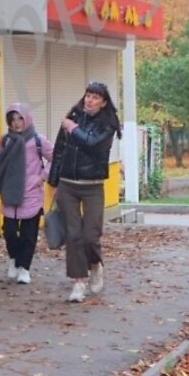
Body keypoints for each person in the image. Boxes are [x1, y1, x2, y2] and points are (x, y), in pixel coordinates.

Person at [47, 81, 120, 303]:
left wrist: (72, 128)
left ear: (103, 102)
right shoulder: (74, 116)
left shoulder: (107, 125)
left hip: (93, 185)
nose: (90, 100)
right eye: (88, 95)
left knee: (90, 235)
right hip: (68, 184)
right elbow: (59, 151)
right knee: (73, 235)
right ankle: (78, 282)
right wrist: (53, 182)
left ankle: (95, 265)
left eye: (95, 97)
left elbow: (93, 144)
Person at [0, 103, 53, 285]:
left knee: (28, 233)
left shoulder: (38, 140)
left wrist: (42, 177)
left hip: (32, 192)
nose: (16, 123)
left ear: (27, 119)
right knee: (9, 230)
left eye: (20, 118)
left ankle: (24, 268)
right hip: (10, 191)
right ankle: (14, 258)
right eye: (12, 119)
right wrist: (4, 176)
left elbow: (55, 158)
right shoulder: (6, 140)